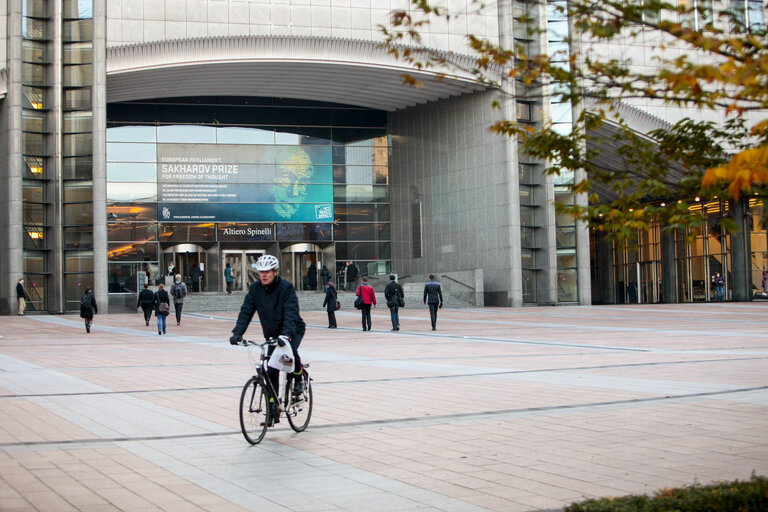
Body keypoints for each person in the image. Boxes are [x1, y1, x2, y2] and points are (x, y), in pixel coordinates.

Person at [229, 255, 306, 427]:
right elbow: (246, 311)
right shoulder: (255, 289)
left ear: (275, 272)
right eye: (261, 272)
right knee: (271, 370)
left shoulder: (286, 288)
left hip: (292, 329)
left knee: (290, 353)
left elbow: (291, 312)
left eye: (267, 272)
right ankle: (273, 408)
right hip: (272, 336)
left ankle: (299, 379)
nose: (263, 275)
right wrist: (237, 333)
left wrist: (286, 334)